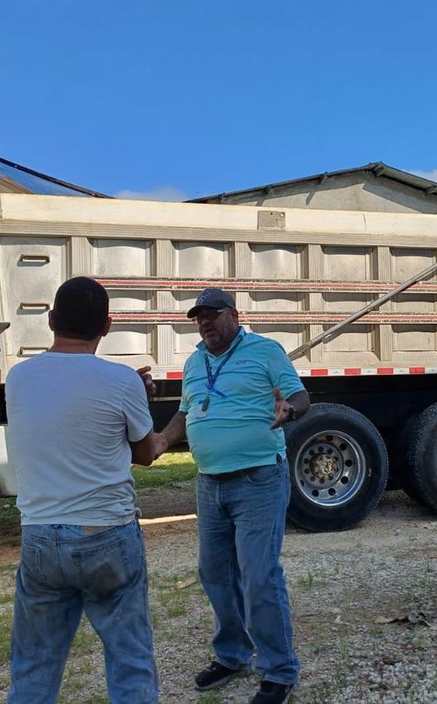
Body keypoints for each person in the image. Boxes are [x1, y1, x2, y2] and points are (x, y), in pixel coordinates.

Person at [5, 276, 164, 704]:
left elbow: (63, 422)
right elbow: (145, 453)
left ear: (51, 320)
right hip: (106, 534)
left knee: (34, 669)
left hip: (39, 535)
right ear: (107, 326)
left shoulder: (18, 377)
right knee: (130, 662)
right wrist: (139, 400)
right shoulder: (123, 381)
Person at [157, 287, 309, 704]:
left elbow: (300, 395)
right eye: (198, 317)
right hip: (210, 483)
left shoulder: (265, 350)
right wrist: (162, 440)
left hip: (258, 480)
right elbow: (187, 412)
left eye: (212, 314)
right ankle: (234, 654)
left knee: (259, 577)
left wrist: (289, 411)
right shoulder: (194, 361)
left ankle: (279, 669)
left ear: (234, 315)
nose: (204, 322)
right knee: (215, 574)